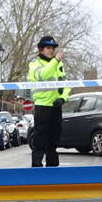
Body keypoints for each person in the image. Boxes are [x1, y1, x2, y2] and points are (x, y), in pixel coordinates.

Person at [28, 36, 70, 167]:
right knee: (39, 140)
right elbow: (44, 75)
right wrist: (56, 60)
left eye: (52, 48)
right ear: (41, 49)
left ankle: (53, 169)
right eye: (48, 48)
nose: (51, 50)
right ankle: (37, 168)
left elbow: (66, 84)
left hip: (56, 106)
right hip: (42, 106)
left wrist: (63, 97)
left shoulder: (58, 65)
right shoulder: (35, 64)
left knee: (54, 139)